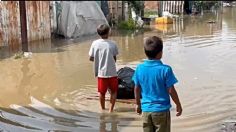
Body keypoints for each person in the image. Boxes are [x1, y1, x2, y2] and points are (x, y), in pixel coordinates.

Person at [132, 36, 182, 132]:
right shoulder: (165, 70)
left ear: (145, 52)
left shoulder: (139, 68)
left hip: (146, 110)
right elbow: (171, 90)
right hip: (161, 111)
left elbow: (137, 88)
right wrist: (178, 105)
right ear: (161, 53)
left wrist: (138, 104)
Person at [89, 24, 119, 113]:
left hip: (101, 74)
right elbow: (114, 58)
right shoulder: (113, 44)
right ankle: (111, 110)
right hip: (112, 73)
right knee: (114, 92)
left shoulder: (95, 43)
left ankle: (102, 109)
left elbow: (91, 58)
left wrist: (99, 58)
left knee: (102, 93)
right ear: (108, 32)